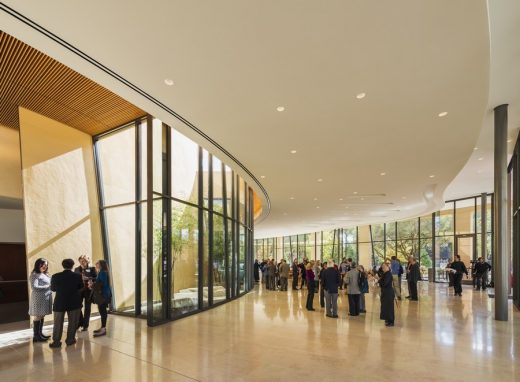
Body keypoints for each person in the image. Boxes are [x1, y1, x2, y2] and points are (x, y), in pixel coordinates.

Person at [49, 259, 84, 348]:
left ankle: (56, 342)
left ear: (63, 265)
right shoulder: (78, 276)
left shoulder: (55, 276)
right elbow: (81, 288)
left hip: (59, 302)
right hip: (74, 302)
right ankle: (70, 340)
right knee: (73, 322)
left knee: (57, 323)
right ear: (72, 266)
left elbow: (53, 289)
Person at [28, 258, 53, 343]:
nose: (44, 266)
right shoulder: (34, 274)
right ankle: (36, 336)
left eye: (46, 265)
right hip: (38, 298)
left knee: (42, 315)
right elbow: (34, 287)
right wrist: (48, 286)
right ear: (38, 264)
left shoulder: (45, 274)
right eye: (42, 264)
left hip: (45, 298)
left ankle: (40, 334)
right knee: (38, 316)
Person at [90, 259, 112, 337]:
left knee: (102, 311)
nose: (96, 264)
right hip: (105, 294)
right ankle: (103, 328)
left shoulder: (102, 272)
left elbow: (101, 284)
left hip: (103, 295)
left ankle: (103, 329)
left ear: (101, 265)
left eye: (98, 263)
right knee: (103, 311)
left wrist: (92, 285)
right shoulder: (103, 272)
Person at [74, 255, 97, 331]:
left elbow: (96, 278)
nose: (82, 262)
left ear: (87, 261)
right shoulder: (76, 269)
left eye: (84, 260)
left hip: (89, 291)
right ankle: (80, 322)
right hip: (79, 291)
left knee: (87, 308)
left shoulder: (92, 269)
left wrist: (89, 278)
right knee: (77, 306)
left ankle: (85, 325)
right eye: (81, 261)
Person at [379, 263, 395, 327]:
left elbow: (384, 283)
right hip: (385, 293)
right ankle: (387, 319)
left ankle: (391, 321)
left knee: (389, 308)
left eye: (384, 267)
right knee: (385, 307)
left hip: (388, 293)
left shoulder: (388, 274)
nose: (383, 268)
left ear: (388, 267)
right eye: (382, 267)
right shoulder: (385, 273)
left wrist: (379, 280)